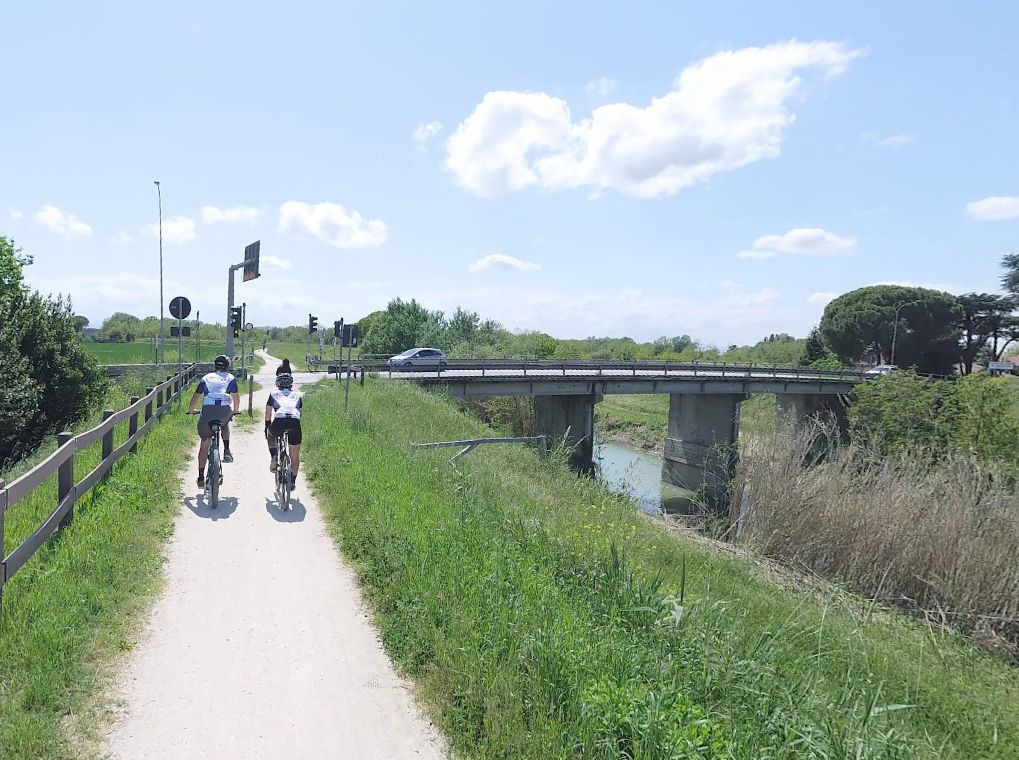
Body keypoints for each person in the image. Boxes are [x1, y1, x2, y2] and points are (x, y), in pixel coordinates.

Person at [188, 354, 240, 488]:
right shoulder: (231, 378)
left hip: (207, 411)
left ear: (214, 366)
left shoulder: (206, 378)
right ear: (228, 367)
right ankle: (227, 450)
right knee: (225, 424)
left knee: (204, 445)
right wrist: (235, 410)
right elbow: (235, 397)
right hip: (224, 411)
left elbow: (196, 396)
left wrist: (191, 410)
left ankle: (200, 477)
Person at [265, 372, 303, 488]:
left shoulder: (273, 393)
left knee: (271, 435)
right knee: (295, 456)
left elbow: (268, 411)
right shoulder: (297, 395)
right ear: (291, 384)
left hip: (279, 421)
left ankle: (274, 456)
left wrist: (267, 425)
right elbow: (300, 413)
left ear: (278, 384)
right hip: (294, 422)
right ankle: (293, 481)